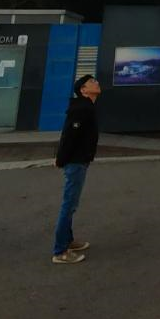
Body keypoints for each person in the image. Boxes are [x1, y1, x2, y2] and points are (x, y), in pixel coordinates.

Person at [51, 74, 101, 264]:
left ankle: (68, 240)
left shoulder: (87, 107)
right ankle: (60, 251)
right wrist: (61, 159)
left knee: (72, 203)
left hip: (81, 160)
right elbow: (69, 136)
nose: (97, 83)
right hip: (75, 161)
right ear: (83, 90)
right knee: (69, 204)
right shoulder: (81, 109)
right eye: (92, 82)